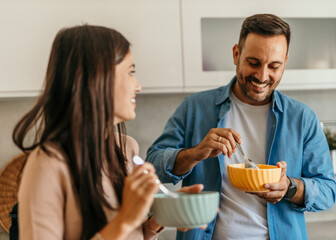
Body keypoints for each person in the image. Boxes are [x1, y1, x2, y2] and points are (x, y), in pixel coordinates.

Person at [146, 14, 336, 240]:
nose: (262, 76)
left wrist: (290, 187)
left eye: (274, 66)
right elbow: (151, 165)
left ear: (285, 62)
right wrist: (194, 154)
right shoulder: (194, 108)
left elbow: (328, 191)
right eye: (253, 63)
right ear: (236, 54)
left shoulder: (302, 118)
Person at [13, 25, 203, 240]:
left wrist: (158, 220)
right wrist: (125, 220)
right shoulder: (47, 164)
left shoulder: (126, 149)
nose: (138, 86)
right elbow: (122, 227)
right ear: (97, 77)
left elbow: (131, 235)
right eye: (131, 72)